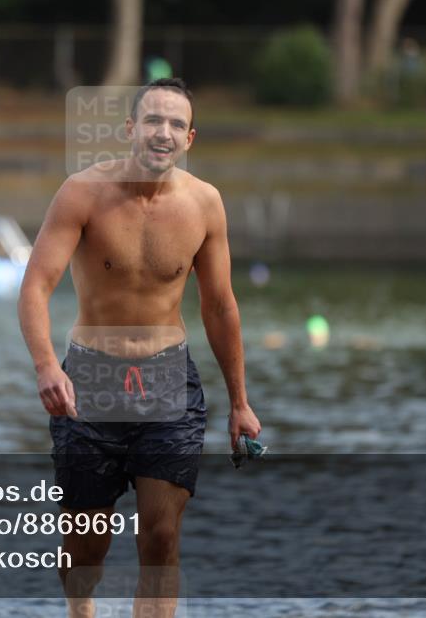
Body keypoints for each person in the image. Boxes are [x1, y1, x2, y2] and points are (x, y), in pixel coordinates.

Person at [18, 78, 261, 617]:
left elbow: (220, 307)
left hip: (168, 383)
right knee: (87, 547)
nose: (163, 132)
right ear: (131, 128)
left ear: (190, 138)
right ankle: (81, 607)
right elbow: (35, 285)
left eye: (176, 124)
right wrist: (44, 368)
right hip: (89, 384)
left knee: (160, 537)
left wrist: (240, 402)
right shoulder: (82, 192)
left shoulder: (205, 204)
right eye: (153, 120)